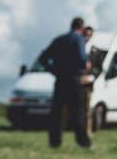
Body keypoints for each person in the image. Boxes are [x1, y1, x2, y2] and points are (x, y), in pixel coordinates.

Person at [37, 16, 92, 150]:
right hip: (74, 80)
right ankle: (83, 142)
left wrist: (53, 70)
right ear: (82, 27)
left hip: (60, 79)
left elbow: (43, 57)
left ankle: (54, 142)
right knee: (77, 112)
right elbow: (81, 58)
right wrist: (86, 64)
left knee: (57, 113)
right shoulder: (78, 39)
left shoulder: (59, 39)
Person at [79, 26, 96, 137]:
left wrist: (91, 77)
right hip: (76, 82)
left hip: (87, 85)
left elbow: (98, 68)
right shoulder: (76, 48)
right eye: (85, 34)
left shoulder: (95, 51)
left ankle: (88, 131)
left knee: (87, 110)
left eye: (89, 35)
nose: (87, 37)